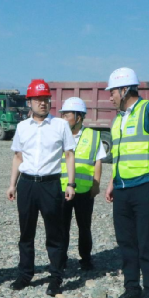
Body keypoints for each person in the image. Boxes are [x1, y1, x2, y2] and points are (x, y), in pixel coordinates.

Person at [104, 67, 149, 298]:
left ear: (124, 90)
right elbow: (119, 154)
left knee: (147, 242)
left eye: (112, 91)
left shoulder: (145, 110)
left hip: (146, 186)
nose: (110, 96)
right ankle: (132, 288)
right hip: (122, 187)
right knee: (126, 243)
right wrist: (112, 182)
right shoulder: (118, 119)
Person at [7, 79, 76, 297]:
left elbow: (69, 154)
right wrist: (12, 184)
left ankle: (55, 277)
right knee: (26, 233)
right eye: (38, 99)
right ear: (29, 102)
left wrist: (71, 183)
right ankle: (25, 274)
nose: (43, 103)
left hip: (50, 184)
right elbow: (18, 157)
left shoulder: (60, 125)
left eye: (46, 99)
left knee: (54, 234)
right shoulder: (22, 127)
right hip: (27, 184)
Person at [59, 97, 106, 271]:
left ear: (78, 117)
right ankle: (61, 260)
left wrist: (96, 183)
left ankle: (85, 259)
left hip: (85, 190)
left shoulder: (93, 136)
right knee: (61, 227)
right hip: (62, 188)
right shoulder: (59, 134)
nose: (63, 118)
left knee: (84, 227)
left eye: (67, 115)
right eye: (63, 114)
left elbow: (98, 161)